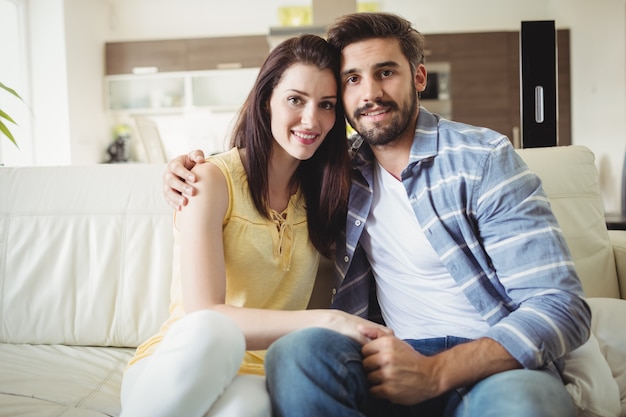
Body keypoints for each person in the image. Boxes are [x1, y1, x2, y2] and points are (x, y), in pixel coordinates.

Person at [163, 12, 591, 417]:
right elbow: (263, 160)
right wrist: (185, 170)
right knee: (297, 353)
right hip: (385, 355)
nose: (369, 94)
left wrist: (434, 373)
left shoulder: (483, 161)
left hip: (493, 365)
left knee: (526, 407)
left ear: (418, 76)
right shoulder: (341, 173)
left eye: (385, 72)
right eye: (352, 80)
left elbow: (562, 307)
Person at [121, 34, 390, 417]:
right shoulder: (211, 180)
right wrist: (329, 321)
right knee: (216, 330)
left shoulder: (329, 192)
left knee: (248, 409)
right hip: (179, 366)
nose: (311, 120)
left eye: (326, 105)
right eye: (295, 99)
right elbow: (204, 315)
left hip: (254, 373)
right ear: (266, 100)